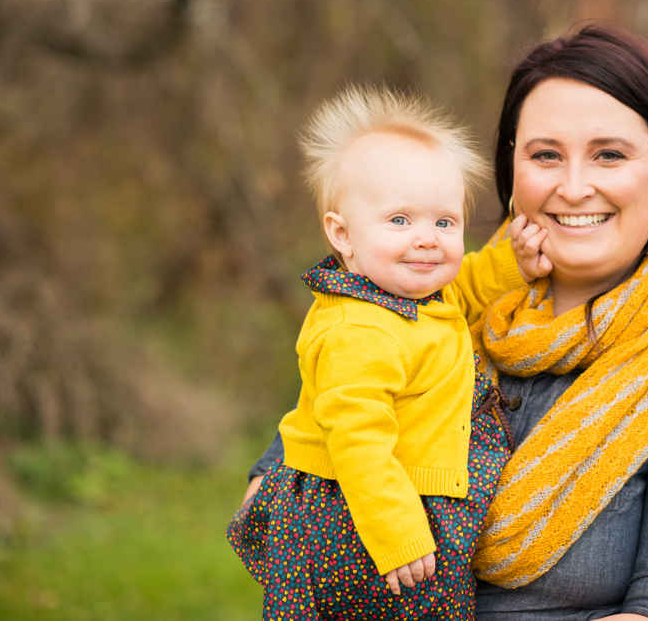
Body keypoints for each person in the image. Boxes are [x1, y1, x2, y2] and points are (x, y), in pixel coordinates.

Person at [247, 24, 648, 621]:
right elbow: (314, 435)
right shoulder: (418, 296)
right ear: (512, 169)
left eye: (609, 154)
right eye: (545, 154)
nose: (574, 186)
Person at [228, 85, 550, 621]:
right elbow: (359, 442)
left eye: (444, 222)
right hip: (357, 521)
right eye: (400, 221)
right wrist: (397, 531)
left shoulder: (417, 293)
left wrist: (513, 264)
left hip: (400, 501)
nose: (427, 239)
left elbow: (465, 286)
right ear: (343, 235)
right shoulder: (359, 331)